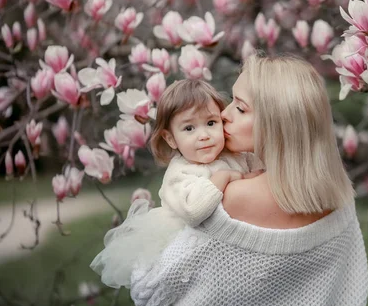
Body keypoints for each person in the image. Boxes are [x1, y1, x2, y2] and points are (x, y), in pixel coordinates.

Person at [130, 54, 368, 306]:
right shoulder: (340, 196)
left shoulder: (234, 196)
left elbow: (152, 292)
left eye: (241, 109)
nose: (224, 114)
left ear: (278, 122)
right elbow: (350, 295)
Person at [90, 79, 262, 289]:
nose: (204, 135)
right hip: (189, 252)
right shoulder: (180, 173)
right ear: (171, 138)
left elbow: (260, 173)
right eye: (189, 128)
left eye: (211, 123)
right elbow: (194, 211)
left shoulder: (236, 155)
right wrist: (223, 178)